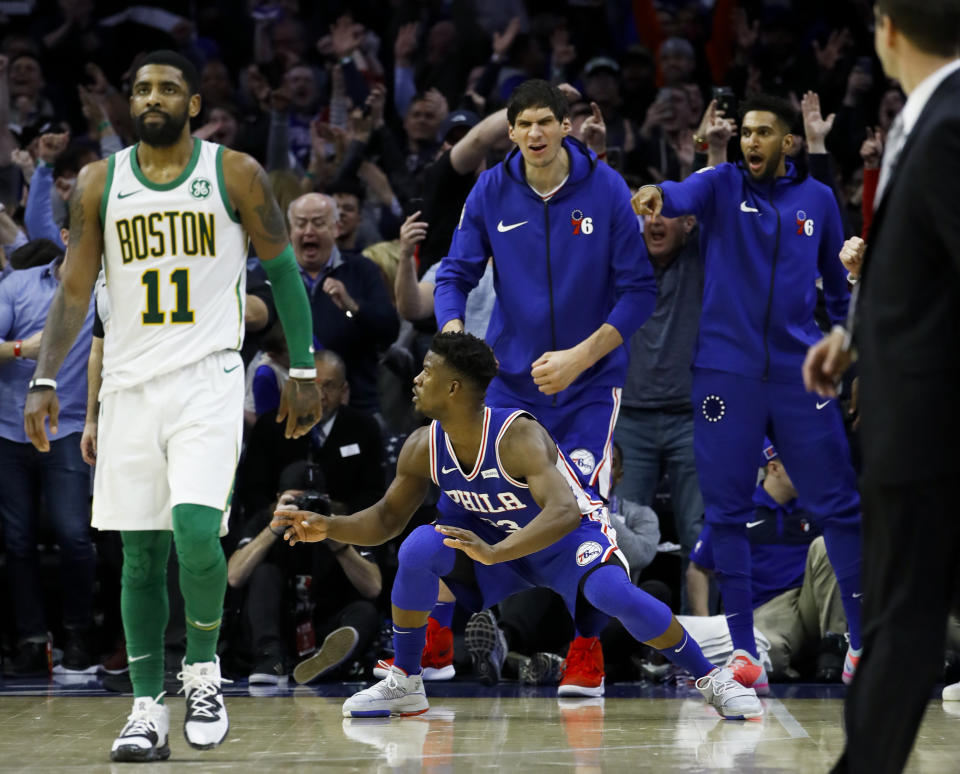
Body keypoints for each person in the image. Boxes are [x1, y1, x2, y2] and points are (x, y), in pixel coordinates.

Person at [22, 50, 322, 763]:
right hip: (128, 384)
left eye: (169, 88)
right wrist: (43, 378)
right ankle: (146, 709)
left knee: (193, 532)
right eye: (142, 89)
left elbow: (281, 268)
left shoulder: (235, 172)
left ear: (193, 104)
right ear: (131, 103)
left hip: (206, 379)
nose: (153, 97)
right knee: (139, 555)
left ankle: (205, 671)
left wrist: (302, 366)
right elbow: (72, 292)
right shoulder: (100, 182)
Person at [272, 332, 761, 721]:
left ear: (454, 387)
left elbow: (564, 512)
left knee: (614, 596)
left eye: (427, 370)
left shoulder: (518, 436)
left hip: (568, 541)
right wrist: (329, 526)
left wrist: (495, 551)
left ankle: (711, 677)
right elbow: (385, 520)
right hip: (497, 552)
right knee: (419, 547)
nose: (416, 379)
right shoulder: (423, 445)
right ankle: (406, 681)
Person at [631, 93, 863, 696]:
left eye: (764, 133)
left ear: (789, 142)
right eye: (747, 134)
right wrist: (657, 195)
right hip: (723, 376)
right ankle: (742, 654)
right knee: (727, 512)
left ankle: (861, 643)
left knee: (839, 507)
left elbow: (839, 291)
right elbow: (677, 193)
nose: (752, 142)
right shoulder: (720, 184)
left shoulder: (816, 200)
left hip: (800, 374)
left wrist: (848, 355)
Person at [433, 79, 657, 696]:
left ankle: (586, 649)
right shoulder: (490, 188)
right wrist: (456, 336)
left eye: (545, 122)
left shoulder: (607, 190)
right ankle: (437, 631)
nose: (534, 134)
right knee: (464, 493)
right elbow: (455, 273)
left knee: (581, 512)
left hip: (588, 387)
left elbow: (640, 292)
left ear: (566, 126)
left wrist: (582, 358)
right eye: (523, 123)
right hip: (509, 383)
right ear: (510, 131)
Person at [801, 2, 960, 771]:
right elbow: (932, 276)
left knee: (904, 617)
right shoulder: (931, 118)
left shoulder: (948, 124)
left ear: (888, 29)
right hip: (915, 408)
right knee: (905, 618)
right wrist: (856, 338)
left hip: (931, 422)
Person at [0, 219, 97, 676]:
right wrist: (21, 348)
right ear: (64, 236)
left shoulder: (108, 291)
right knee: (16, 542)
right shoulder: (18, 283)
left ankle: (78, 633)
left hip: (70, 428)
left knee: (75, 536)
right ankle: (32, 638)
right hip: (7, 428)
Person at [687, 442, 847, 682]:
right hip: (764, 610)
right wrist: (707, 632)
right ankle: (801, 659)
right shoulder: (737, 509)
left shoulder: (816, 506)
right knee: (767, 657)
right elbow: (698, 569)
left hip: (808, 600)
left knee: (828, 545)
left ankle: (835, 647)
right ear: (774, 468)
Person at [226, 461, 383, 686]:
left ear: (327, 500)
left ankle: (325, 662)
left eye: (312, 501)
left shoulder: (344, 523)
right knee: (264, 572)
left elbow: (373, 587)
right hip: (278, 628)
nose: (303, 510)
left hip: (323, 628)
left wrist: (332, 535)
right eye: (296, 501)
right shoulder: (264, 520)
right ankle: (270, 658)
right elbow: (234, 577)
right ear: (279, 498)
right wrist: (273, 530)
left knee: (365, 611)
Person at [289, 192, 399, 417]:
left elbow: (389, 330)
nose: (308, 231)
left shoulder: (362, 270)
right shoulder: (274, 275)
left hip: (356, 405)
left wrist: (352, 306)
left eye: (318, 223)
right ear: (290, 231)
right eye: (301, 224)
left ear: (336, 228)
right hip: (288, 403)